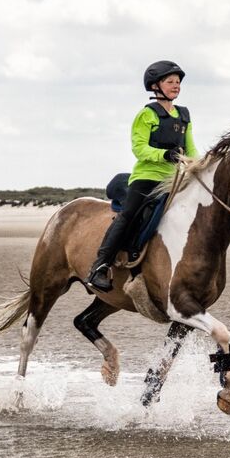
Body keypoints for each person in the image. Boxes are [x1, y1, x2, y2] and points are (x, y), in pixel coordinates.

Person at [85, 60, 199, 292]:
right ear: (156, 86)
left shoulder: (184, 115)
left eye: (178, 82)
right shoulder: (146, 115)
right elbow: (139, 149)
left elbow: (191, 149)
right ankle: (100, 266)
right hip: (147, 177)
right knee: (128, 215)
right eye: (170, 82)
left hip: (173, 180)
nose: (176, 86)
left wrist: (201, 166)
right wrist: (164, 155)